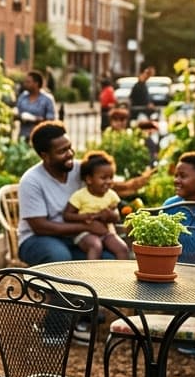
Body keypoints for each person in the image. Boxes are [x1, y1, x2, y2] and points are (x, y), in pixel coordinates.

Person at [17, 121, 150, 342]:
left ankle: (84, 316)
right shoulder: (31, 181)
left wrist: (112, 211)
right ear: (44, 155)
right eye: (62, 151)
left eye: (70, 147)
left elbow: (108, 190)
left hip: (78, 238)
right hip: (38, 239)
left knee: (108, 258)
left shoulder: (81, 170)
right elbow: (40, 225)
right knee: (61, 258)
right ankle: (55, 329)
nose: (70, 154)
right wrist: (86, 226)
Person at [63, 150, 129, 260]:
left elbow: (116, 217)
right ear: (89, 179)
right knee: (95, 245)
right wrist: (86, 217)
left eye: (111, 178)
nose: (108, 181)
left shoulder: (111, 195)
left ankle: (121, 274)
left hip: (106, 232)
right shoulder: (80, 195)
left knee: (122, 248)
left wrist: (110, 215)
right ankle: (90, 275)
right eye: (103, 178)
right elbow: (67, 215)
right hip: (85, 233)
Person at [15, 70, 57, 142]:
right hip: (23, 136)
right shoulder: (23, 96)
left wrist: (35, 119)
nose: (25, 84)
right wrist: (20, 117)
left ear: (36, 83)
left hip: (40, 137)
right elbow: (16, 112)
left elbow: (51, 120)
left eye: (28, 82)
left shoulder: (47, 99)